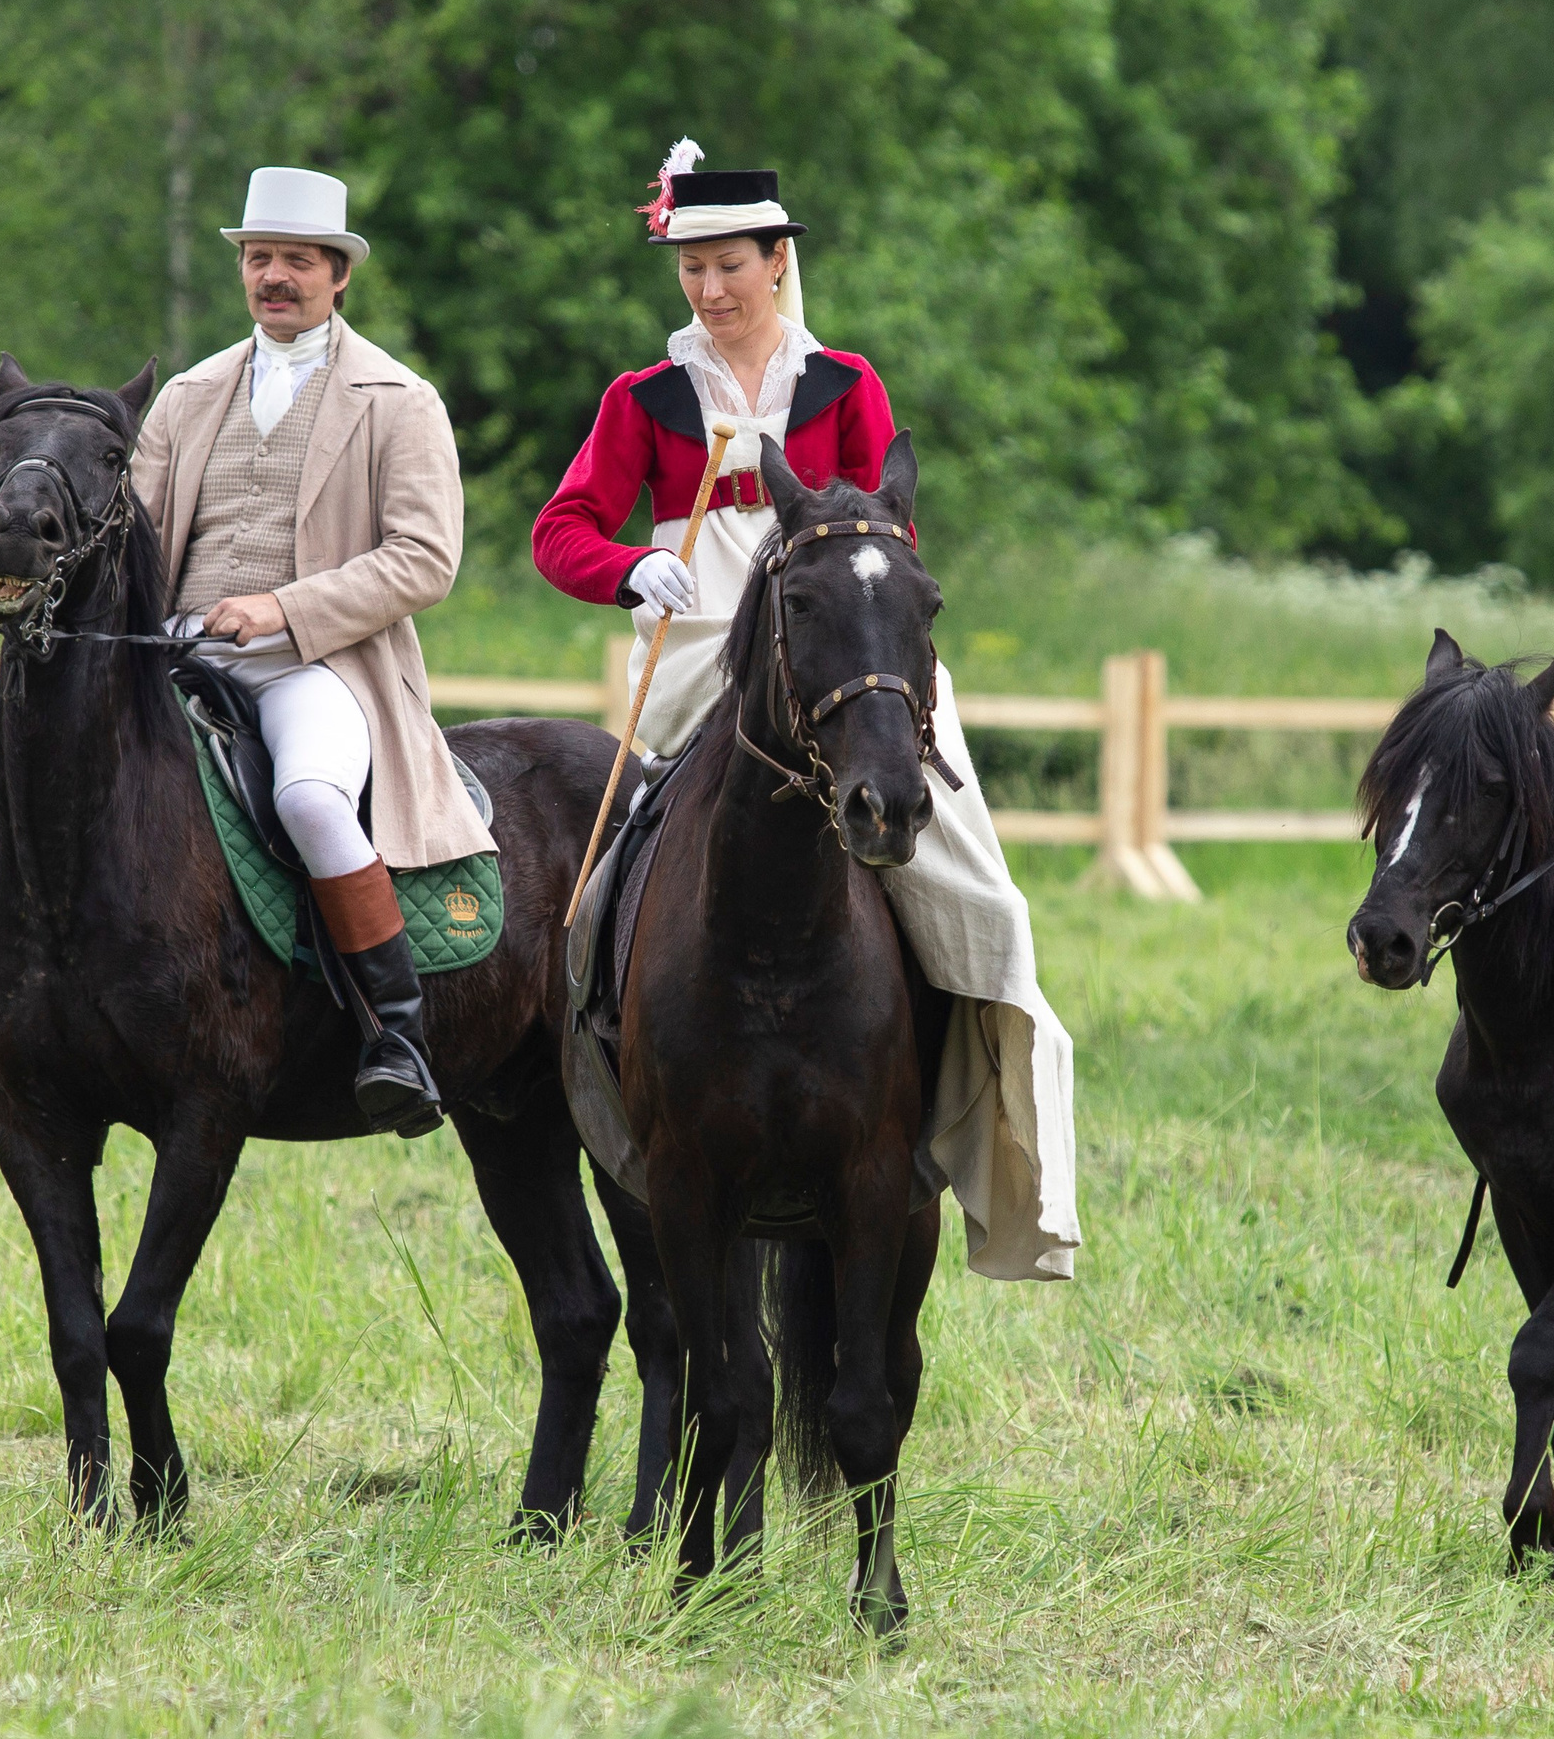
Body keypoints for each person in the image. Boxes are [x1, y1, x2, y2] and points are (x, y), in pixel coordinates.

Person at [530, 140, 1080, 1281]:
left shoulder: (847, 383)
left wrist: (838, 592)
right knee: (600, 884)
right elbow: (560, 528)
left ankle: (975, 1086)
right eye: (691, 271)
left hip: (843, 643)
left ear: (780, 261)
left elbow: (893, 529)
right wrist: (632, 565)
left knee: (977, 879)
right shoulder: (644, 396)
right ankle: (608, 1041)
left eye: (730, 265)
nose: (710, 290)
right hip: (693, 648)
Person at [130, 165, 493, 1137]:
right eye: (259, 258)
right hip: (177, 656)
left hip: (316, 667)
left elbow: (424, 559)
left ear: (339, 275)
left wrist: (284, 610)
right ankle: (46, 1040)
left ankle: (396, 1032)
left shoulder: (399, 398)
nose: (274, 275)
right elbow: (138, 543)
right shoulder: (187, 395)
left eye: (296, 259)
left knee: (309, 799)